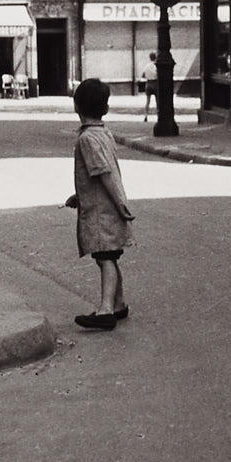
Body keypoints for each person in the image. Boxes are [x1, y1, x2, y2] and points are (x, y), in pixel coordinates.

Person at [64, 78, 135, 330]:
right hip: (105, 206)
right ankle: (119, 303)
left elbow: (102, 172)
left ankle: (106, 310)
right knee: (109, 257)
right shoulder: (103, 133)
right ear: (105, 109)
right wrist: (79, 195)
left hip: (102, 212)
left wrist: (119, 203)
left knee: (105, 259)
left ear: (76, 107)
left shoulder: (86, 140)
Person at [140, 51, 159, 120]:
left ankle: (146, 115)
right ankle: (158, 115)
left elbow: (143, 75)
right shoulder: (157, 65)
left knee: (148, 101)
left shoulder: (147, 66)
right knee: (157, 101)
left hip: (148, 84)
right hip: (156, 83)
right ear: (156, 57)